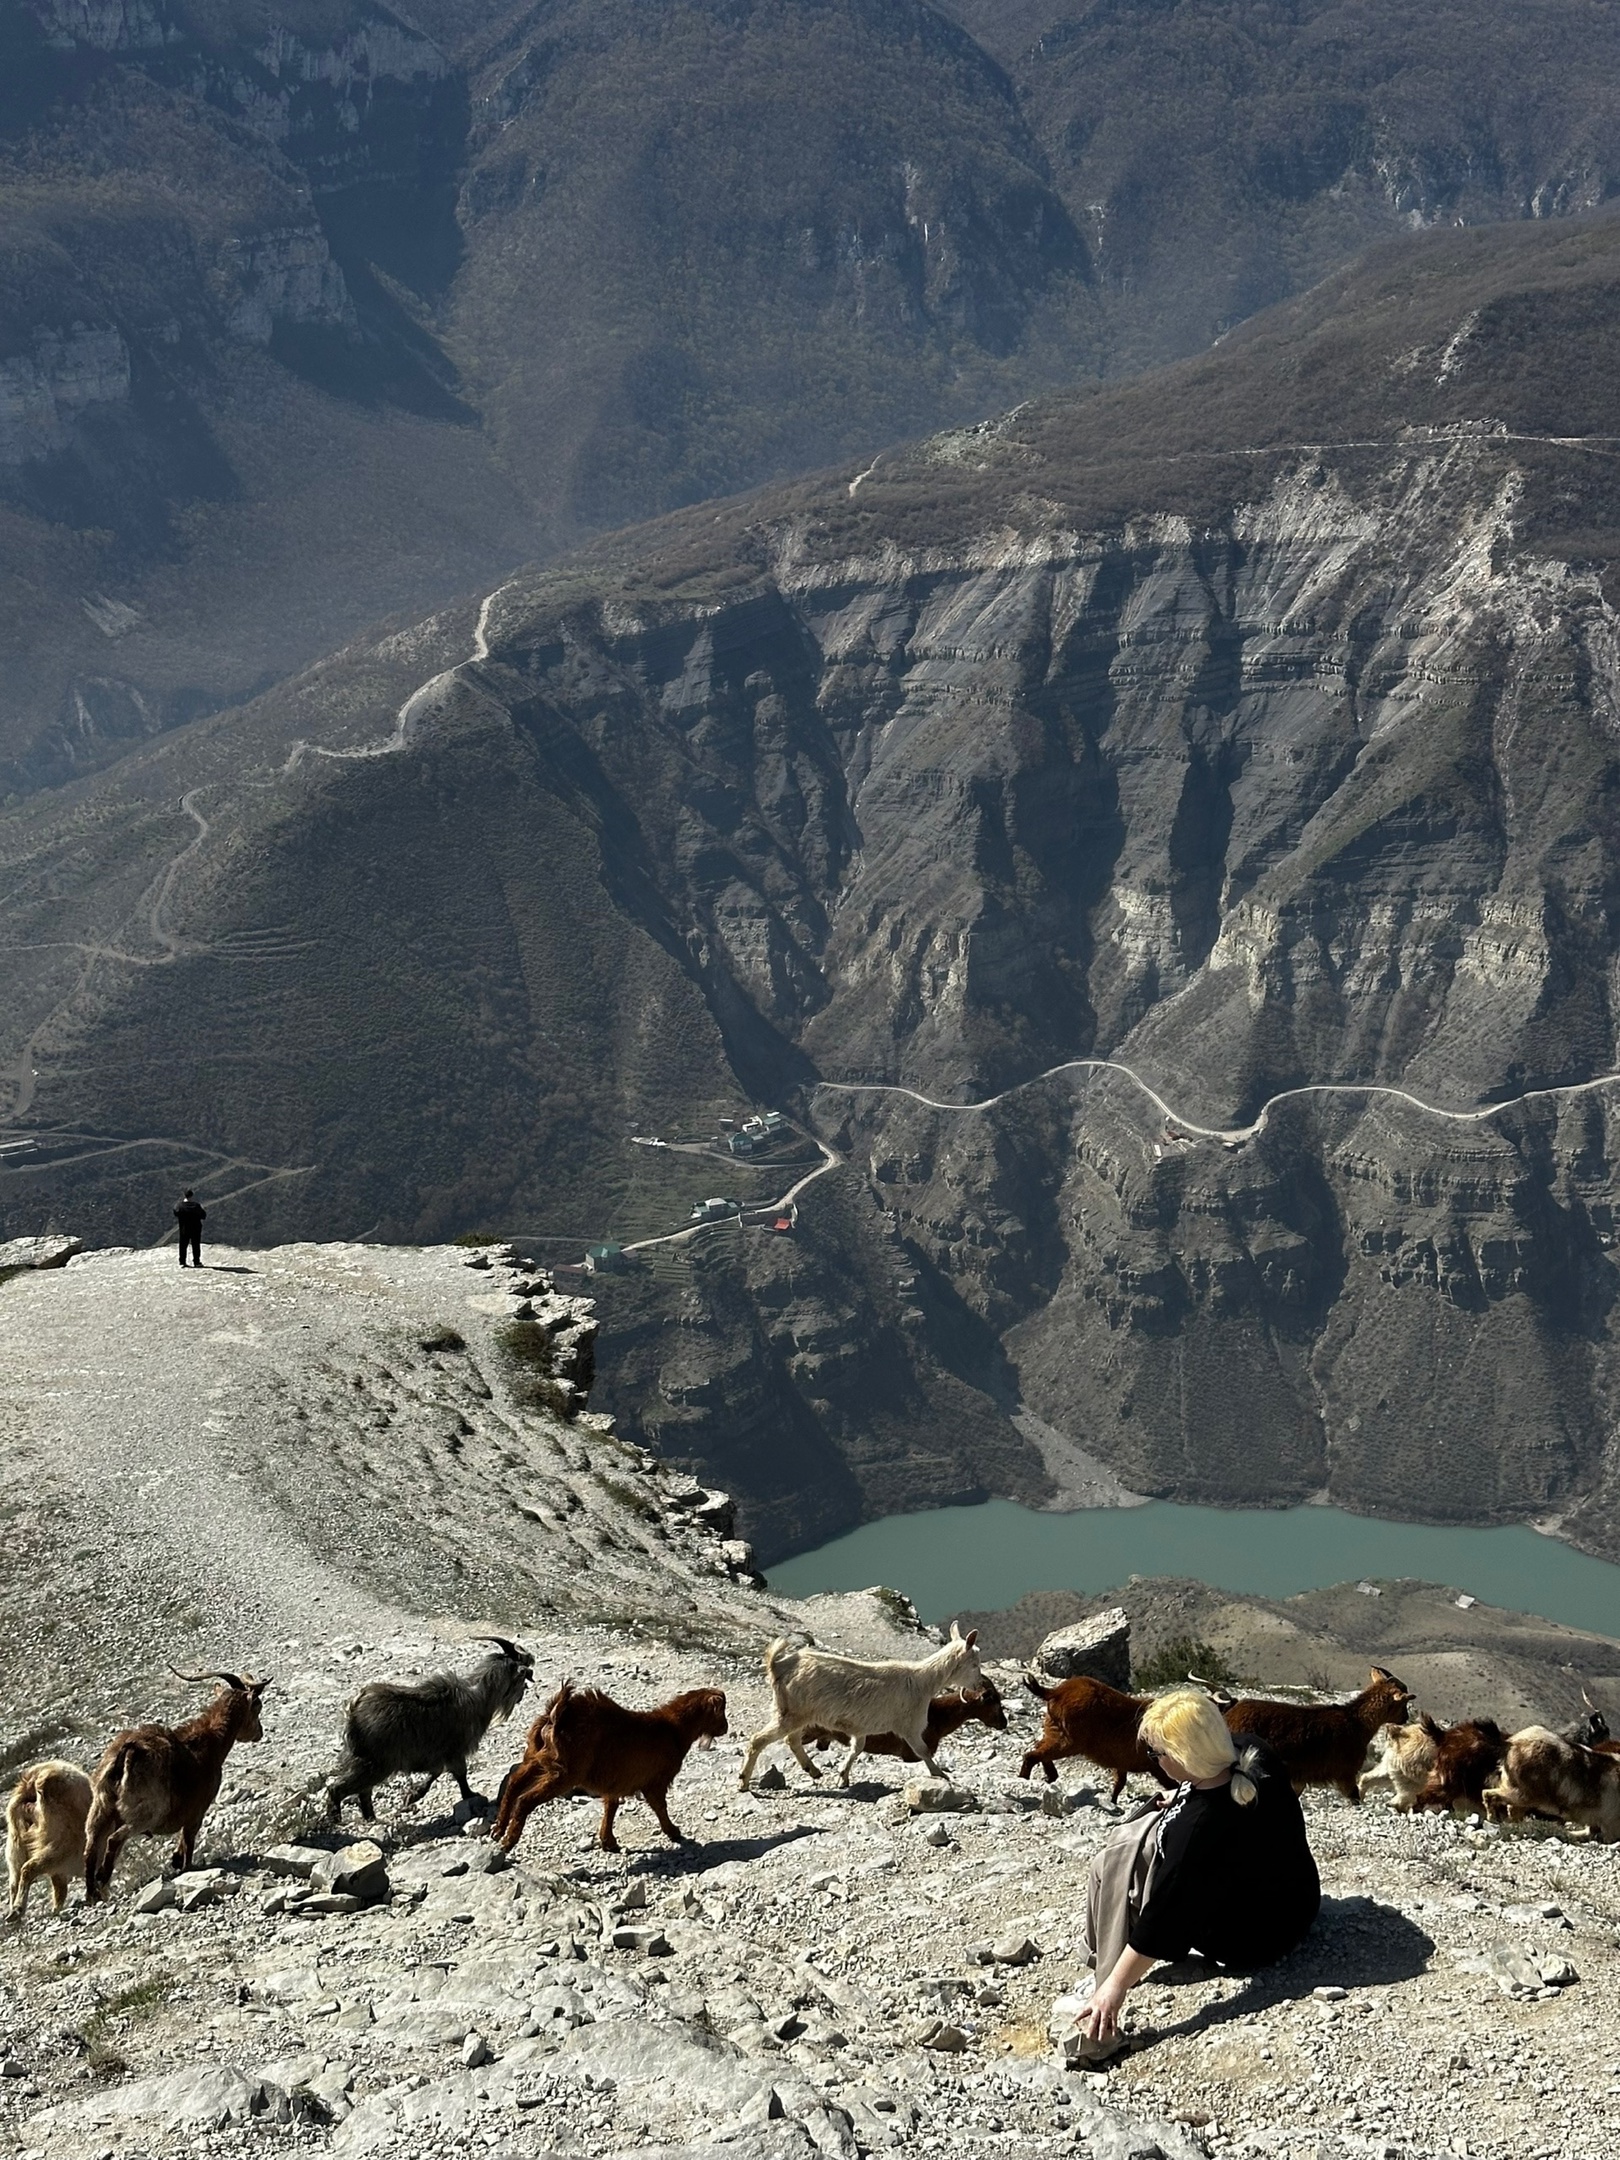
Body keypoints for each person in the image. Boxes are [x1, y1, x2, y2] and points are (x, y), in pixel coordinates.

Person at [1069, 1686, 1320, 2061]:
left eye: (1157, 1753)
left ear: (1183, 1757)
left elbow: (1162, 1919)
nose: (1155, 1761)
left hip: (1252, 1938)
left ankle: (1099, 1969)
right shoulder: (1251, 1751)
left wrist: (1114, 1988)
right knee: (1138, 1849)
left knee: (1121, 1867)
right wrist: (1185, 1792)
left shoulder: (1198, 1828)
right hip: (1295, 1904)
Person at [174, 1188, 206, 1268]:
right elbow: (203, 1215)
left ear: (184, 1195)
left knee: (183, 1245)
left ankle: (182, 1262)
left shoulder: (179, 1206)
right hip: (196, 1228)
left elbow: (175, 1212)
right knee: (196, 1245)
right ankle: (196, 1262)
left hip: (184, 1228)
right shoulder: (196, 1206)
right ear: (192, 1196)